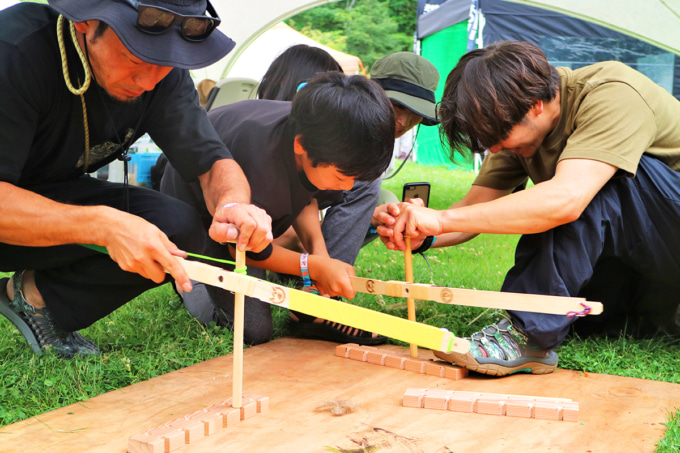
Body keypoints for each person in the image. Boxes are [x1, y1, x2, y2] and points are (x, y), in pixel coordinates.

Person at [378, 40, 680, 377]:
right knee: (589, 311)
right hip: (647, 271)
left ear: (536, 103)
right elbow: (476, 208)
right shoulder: (511, 124)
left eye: (497, 134)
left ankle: (527, 335)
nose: (494, 147)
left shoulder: (613, 94)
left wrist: (441, 217)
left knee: (588, 184)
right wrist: (425, 233)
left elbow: (566, 199)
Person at [0, 0, 272, 358]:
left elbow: (212, 161)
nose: (147, 82)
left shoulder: (163, 78)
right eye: (136, 58)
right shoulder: (15, 49)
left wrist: (234, 204)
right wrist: (103, 225)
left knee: (176, 225)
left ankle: (34, 297)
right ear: (87, 22)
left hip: (48, 195)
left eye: (165, 64)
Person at [161, 72, 395, 345]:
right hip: (203, 219)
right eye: (342, 177)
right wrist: (311, 266)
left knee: (365, 184)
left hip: (253, 210)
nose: (346, 188)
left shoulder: (322, 131)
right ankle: (191, 279)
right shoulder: (261, 162)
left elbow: (306, 192)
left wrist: (320, 254)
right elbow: (246, 250)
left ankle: (321, 298)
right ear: (301, 146)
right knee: (254, 330)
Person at [317, 52, 441, 265]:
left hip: (317, 229)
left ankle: (328, 275)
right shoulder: (332, 123)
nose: (403, 120)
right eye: (397, 105)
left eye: (414, 111)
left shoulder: (377, 138)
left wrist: (375, 216)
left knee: (388, 203)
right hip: (275, 223)